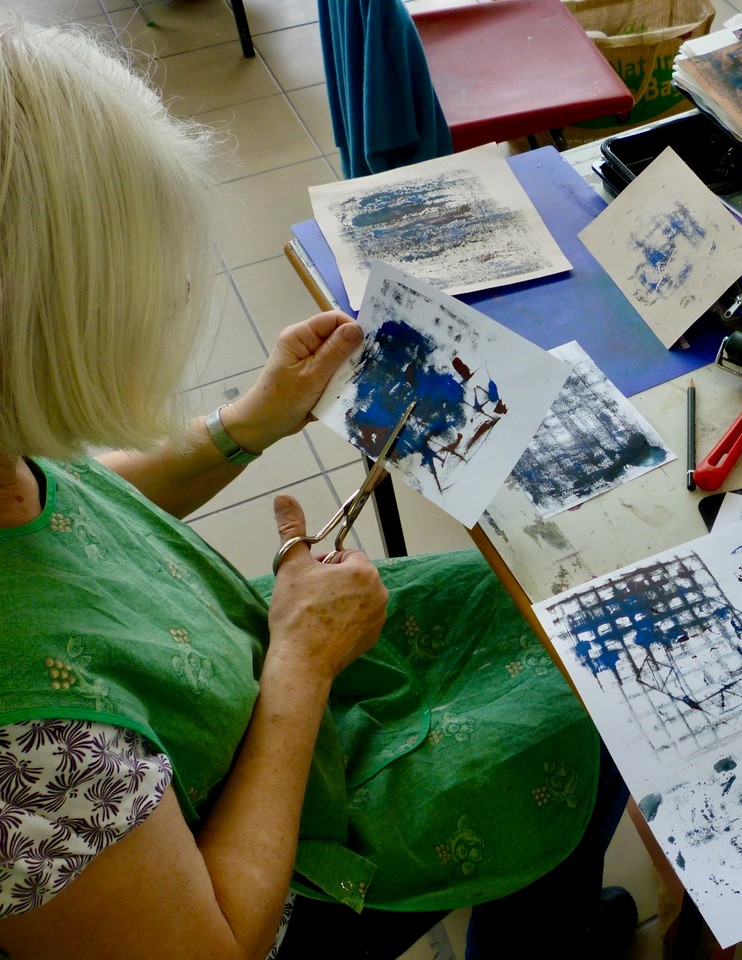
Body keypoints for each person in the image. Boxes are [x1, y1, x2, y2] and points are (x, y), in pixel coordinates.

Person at [0, 19, 632, 960]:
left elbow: (70, 509)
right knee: (596, 690)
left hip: (231, 674)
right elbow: (215, 947)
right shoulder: (32, 766)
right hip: (272, 861)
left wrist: (247, 423)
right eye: (152, 281)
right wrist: (300, 659)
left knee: (538, 610)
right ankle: (545, 941)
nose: (177, 297)